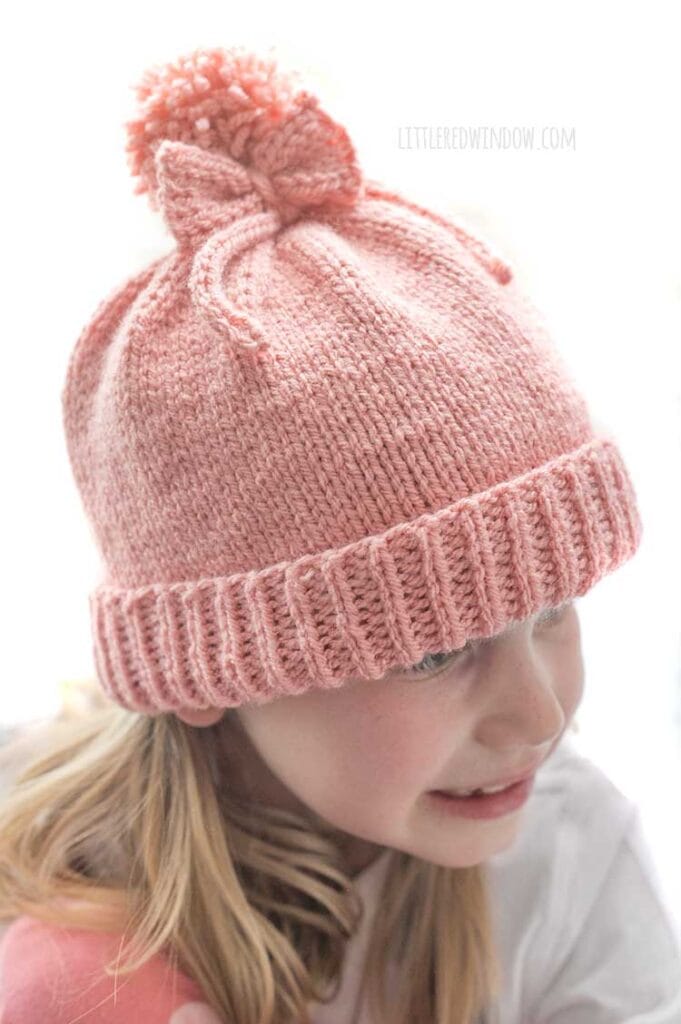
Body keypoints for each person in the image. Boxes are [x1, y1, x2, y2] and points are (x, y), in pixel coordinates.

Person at [0, 43, 679, 1024]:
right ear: (215, 670)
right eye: (438, 648)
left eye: (555, 609)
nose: (539, 716)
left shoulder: (567, 866)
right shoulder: (71, 944)